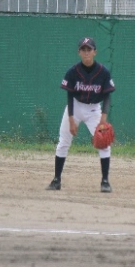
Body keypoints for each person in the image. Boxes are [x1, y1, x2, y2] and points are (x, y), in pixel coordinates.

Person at [46, 37, 115, 193]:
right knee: (63, 142)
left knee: (104, 143)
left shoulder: (103, 72)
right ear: (79, 52)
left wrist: (103, 118)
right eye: (83, 49)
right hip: (75, 107)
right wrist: (71, 119)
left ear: (95, 52)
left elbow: (107, 96)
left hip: (94, 110)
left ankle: (105, 181)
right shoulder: (73, 71)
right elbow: (70, 95)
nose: (86, 52)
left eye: (89, 49)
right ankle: (56, 180)